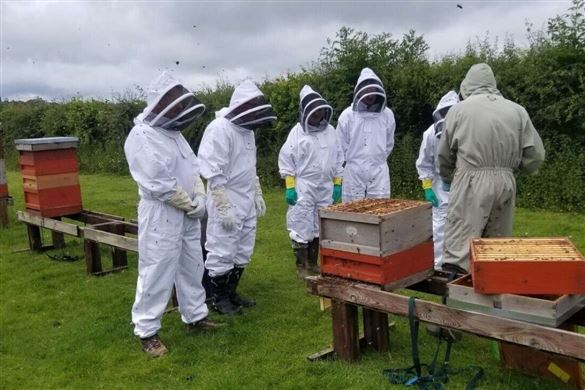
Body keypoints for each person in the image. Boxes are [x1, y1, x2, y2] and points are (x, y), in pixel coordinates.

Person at [124, 71, 222, 358]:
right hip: (161, 213)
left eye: (179, 101)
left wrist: (200, 196)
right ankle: (147, 331)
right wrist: (189, 203)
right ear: (160, 101)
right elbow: (157, 181)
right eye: (173, 101)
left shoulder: (175, 134)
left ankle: (195, 316)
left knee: (193, 265)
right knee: (157, 269)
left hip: (187, 213)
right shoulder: (141, 135)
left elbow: (193, 170)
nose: (178, 107)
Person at [437, 63, 545, 274]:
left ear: (467, 85)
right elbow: (535, 155)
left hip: (470, 180)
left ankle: (459, 300)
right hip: (505, 182)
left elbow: (444, 156)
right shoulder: (517, 110)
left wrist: (450, 178)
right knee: (497, 248)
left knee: (461, 249)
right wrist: (512, 170)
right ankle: (493, 299)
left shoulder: (458, 110)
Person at [198, 80, 275, 315]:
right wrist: (223, 205)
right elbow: (212, 170)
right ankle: (217, 299)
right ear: (242, 107)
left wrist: (257, 192)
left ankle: (231, 292)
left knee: (242, 250)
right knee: (222, 248)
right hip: (226, 198)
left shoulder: (247, 132)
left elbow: (249, 167)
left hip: (245, 198)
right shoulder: (219, 128)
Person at [278, 85, 344, 278]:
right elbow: (286, 160)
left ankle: (313, 263)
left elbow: (339, 158)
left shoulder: (331, 131)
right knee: (301, 223)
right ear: (306, 113)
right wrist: (290, 187)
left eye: (320, 111)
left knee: (320, 224)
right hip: (304, 185)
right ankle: (301, 266)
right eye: (313, 112)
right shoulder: (296, 133)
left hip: (325, 185)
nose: (317, 114)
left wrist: (338, 183)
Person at [415, 91, 459, 270]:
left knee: (463, 223)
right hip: (440, 186)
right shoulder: (430, 134)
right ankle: (438, 266)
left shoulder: (467, 129)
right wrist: (427, 187)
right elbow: (424, 163)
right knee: (439, 225)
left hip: (463, 183)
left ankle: (459, 264)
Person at [337, 67, 396, 201]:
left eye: (372, 90)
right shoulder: (347, 116)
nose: (369, 95)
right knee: (352, 213)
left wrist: (375, 159)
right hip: (353, 171)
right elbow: (340, 146)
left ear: (378, 90)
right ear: (359, 91)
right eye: (366, 90)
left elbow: (388, 144)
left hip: (379, 171)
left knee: (380, 212)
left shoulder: (387, 115)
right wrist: (355, 161)